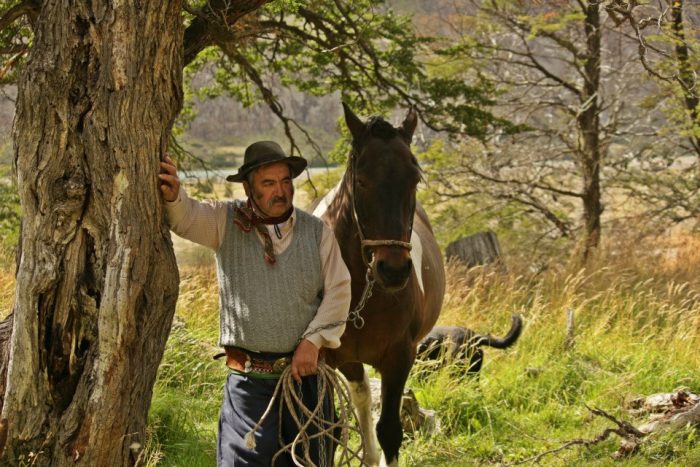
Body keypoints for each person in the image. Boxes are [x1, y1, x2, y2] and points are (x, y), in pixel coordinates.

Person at [158, 141, 351, 466]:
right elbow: (185, 218)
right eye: (269, 183)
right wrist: (174, 194)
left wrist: (313, 341)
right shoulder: (225, 221)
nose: (281, 190)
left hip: (307, 384)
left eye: (285, 181)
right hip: (249, 384)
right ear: (249, 188)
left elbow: (339, 291)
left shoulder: (317, 233)